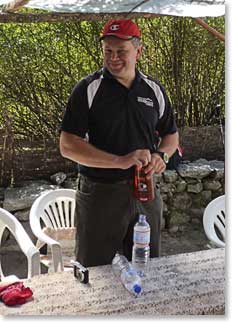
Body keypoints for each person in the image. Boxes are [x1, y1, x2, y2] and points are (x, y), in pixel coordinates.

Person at [60, 19, 179, 267]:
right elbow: (68, 145)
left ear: (138, 51)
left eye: (121, 52)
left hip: (146, 192)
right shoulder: (88, 89)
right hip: (100, 193)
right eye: (108, 52)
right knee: (95, 271)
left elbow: (171, 136)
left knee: (148, 266)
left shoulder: (154, 90)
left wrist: (161, 157)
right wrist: (120, 161)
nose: (113, 58)